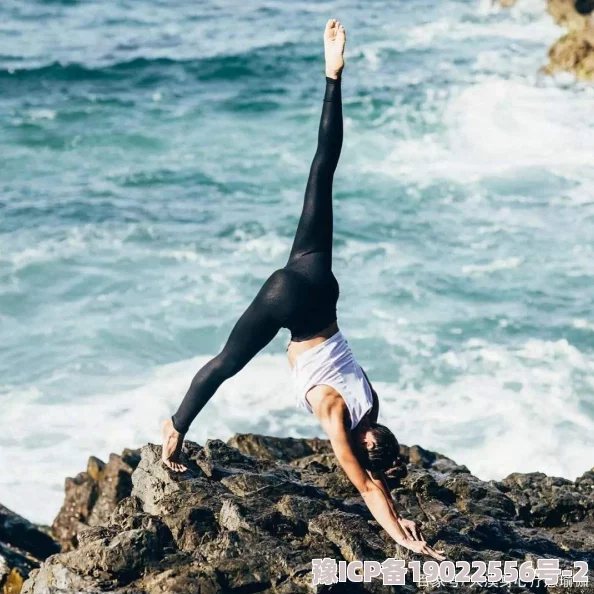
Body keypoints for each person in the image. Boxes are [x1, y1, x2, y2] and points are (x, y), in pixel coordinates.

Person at [161, 19, 445, 561]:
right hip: (286, 300)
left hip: (317, 282)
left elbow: (373, 472)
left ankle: (332, 75)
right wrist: (398, 533)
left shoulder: (371, 403)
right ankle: (174, 430)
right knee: (224, 363)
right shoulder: (339, 415)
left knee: (323, 169)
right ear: (369, 444)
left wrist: (393, 502)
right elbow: (364, 484)